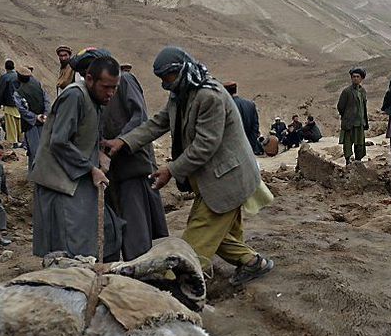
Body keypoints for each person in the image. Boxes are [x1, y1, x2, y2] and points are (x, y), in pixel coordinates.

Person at [105, 46, 274, 285]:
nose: (165, 83)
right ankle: (253, 263)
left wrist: (170, 170)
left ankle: (177, 286)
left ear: (181, 70)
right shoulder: (180, 93)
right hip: (210, 180)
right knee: (219, 234)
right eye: (161, 79)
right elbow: (158, 123)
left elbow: (205, 146)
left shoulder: (209, 96)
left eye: (168, 77)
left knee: (195, 242)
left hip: (225, 179)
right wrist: (124, 141)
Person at [29, 53, 123, 260]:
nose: (111, 93)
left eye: (114, 88)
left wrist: (98, 153)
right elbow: (59, 141)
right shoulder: (74, 96)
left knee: (102, 232)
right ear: (90, 79)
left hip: (74, 177)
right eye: (106, 87)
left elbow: (82, 135)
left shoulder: (94, 99)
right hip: (60, 183)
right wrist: (91, 169)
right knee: (71, 245)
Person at [102, 55, 169, 259]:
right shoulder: (94, 92)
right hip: (114, 168)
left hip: (133, 163)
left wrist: (121, 140)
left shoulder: (126, 81)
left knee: (137, 224)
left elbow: (139, 117)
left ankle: (142, 269)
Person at [13, 63, 50, 170]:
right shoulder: (37, 84)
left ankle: (38, 175)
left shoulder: (18, 92)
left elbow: (22, 110)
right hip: (43, 121)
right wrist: (45, 115)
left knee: (35, 150)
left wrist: (35, 117)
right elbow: (46, 100)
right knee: (42, 148)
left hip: (30, 124)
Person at [337, 67, 369, 165]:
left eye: (357, 77)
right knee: (348, 143)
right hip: (349, 123)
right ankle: (348, 161)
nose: (355, 78)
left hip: (360, 123)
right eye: (353, 76)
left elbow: (363, 107)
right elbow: (340, 106)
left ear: (361, 78)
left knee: (359, 143)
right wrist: (347, 116)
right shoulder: (346, 91)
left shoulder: (362, 91)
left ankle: (358, 161)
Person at [225, 82, 264, 155]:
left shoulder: (227, 105)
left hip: (232, 149)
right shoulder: (250, 104)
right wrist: (251, 144)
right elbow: (255, 126)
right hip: (248, 147)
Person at [0, 60, 22, 146]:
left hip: (9, 104)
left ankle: (14, 141)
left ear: (6, 67)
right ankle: (21, 140)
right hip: (19, 103)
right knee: (19, 122)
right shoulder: (19, 76)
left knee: (11, 124)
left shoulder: (5, 77)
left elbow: (1, 90)